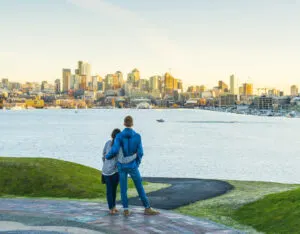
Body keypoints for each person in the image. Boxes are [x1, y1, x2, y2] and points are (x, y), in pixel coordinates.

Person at [106, 116, 160, 216]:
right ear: (132, 124)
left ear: (124, 124)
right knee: (139, 187)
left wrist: (107, 157)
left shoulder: (119, 136)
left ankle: (126, 210)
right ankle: (147, 208)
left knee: (123, 189)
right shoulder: (137, 136)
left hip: (121, 166)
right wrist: (136, 163)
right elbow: (140, 153)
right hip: (133, 166)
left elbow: (114, 150)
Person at [102, 128, 137, 215]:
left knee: (110, 190)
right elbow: (123, 160)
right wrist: (134, 156)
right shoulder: (119, 147)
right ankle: (111, 208)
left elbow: (103, 155)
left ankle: (112, 207)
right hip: (114, 171)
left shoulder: (107, 143)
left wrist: (106, 164)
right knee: (112, 190)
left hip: (105, 171)